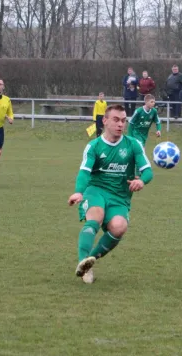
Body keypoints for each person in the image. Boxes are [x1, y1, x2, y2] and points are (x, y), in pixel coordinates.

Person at [68, 104, 153, 284]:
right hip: (96, 190)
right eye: (115, 120)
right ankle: (84, 265)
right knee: (96, 217)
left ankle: (89, 262)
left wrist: (141, 181)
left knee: (119, 227)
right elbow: (84, 172)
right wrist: (78, 192)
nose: (120, 124)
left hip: (120, 196)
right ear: (105, 121)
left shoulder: (133, 144)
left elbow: (147, 171)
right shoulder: (94, 146)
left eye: (123, 121)